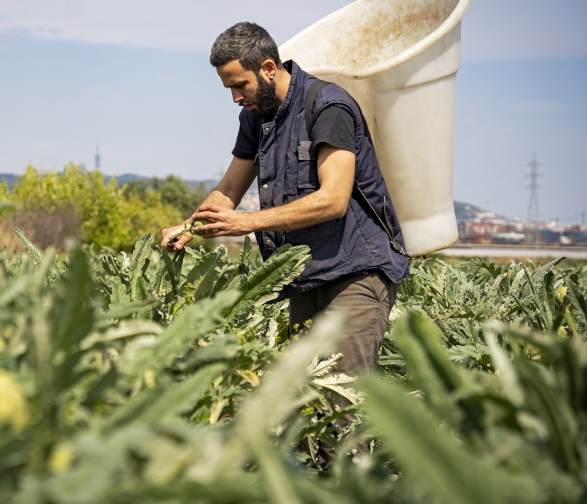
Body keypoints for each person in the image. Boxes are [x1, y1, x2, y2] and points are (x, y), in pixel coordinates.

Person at [160, 22, 409, 376]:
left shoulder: (327, 106)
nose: (235, 97)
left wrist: (245, 223)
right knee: (303, 404)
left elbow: (333, 200)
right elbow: (229, 190)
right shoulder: (254, 118)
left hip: (356, 274)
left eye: (239, 85)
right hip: (307, 276)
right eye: (228, 88)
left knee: (340, 407)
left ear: (267, 68)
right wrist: (189, 226)